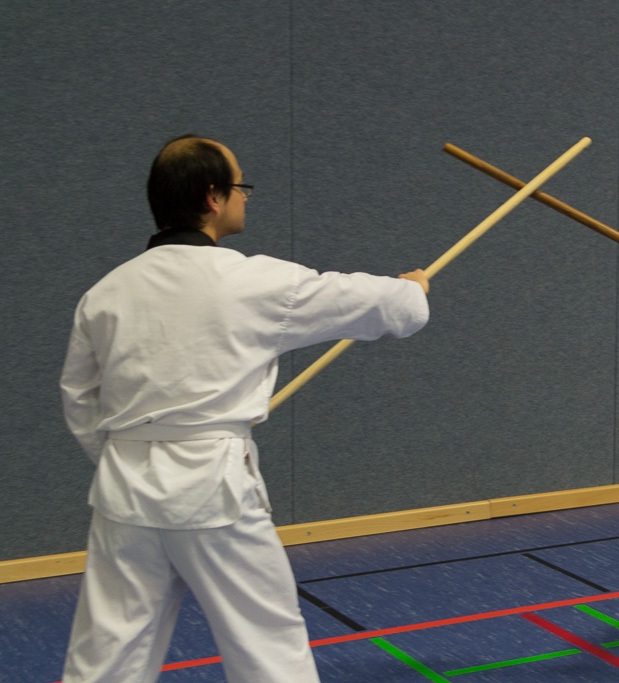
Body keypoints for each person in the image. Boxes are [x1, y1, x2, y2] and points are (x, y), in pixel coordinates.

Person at [59, 135, 431, 682]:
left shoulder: (106, 293)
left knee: (107, 655)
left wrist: (131, 454)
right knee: (266, 648)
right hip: (213, 491)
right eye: (240, 187)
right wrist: (413, 291)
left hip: (122, 491)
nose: (245, 197)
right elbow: (380, 305)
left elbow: (79, 400)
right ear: (212, 197)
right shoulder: (252, 280)